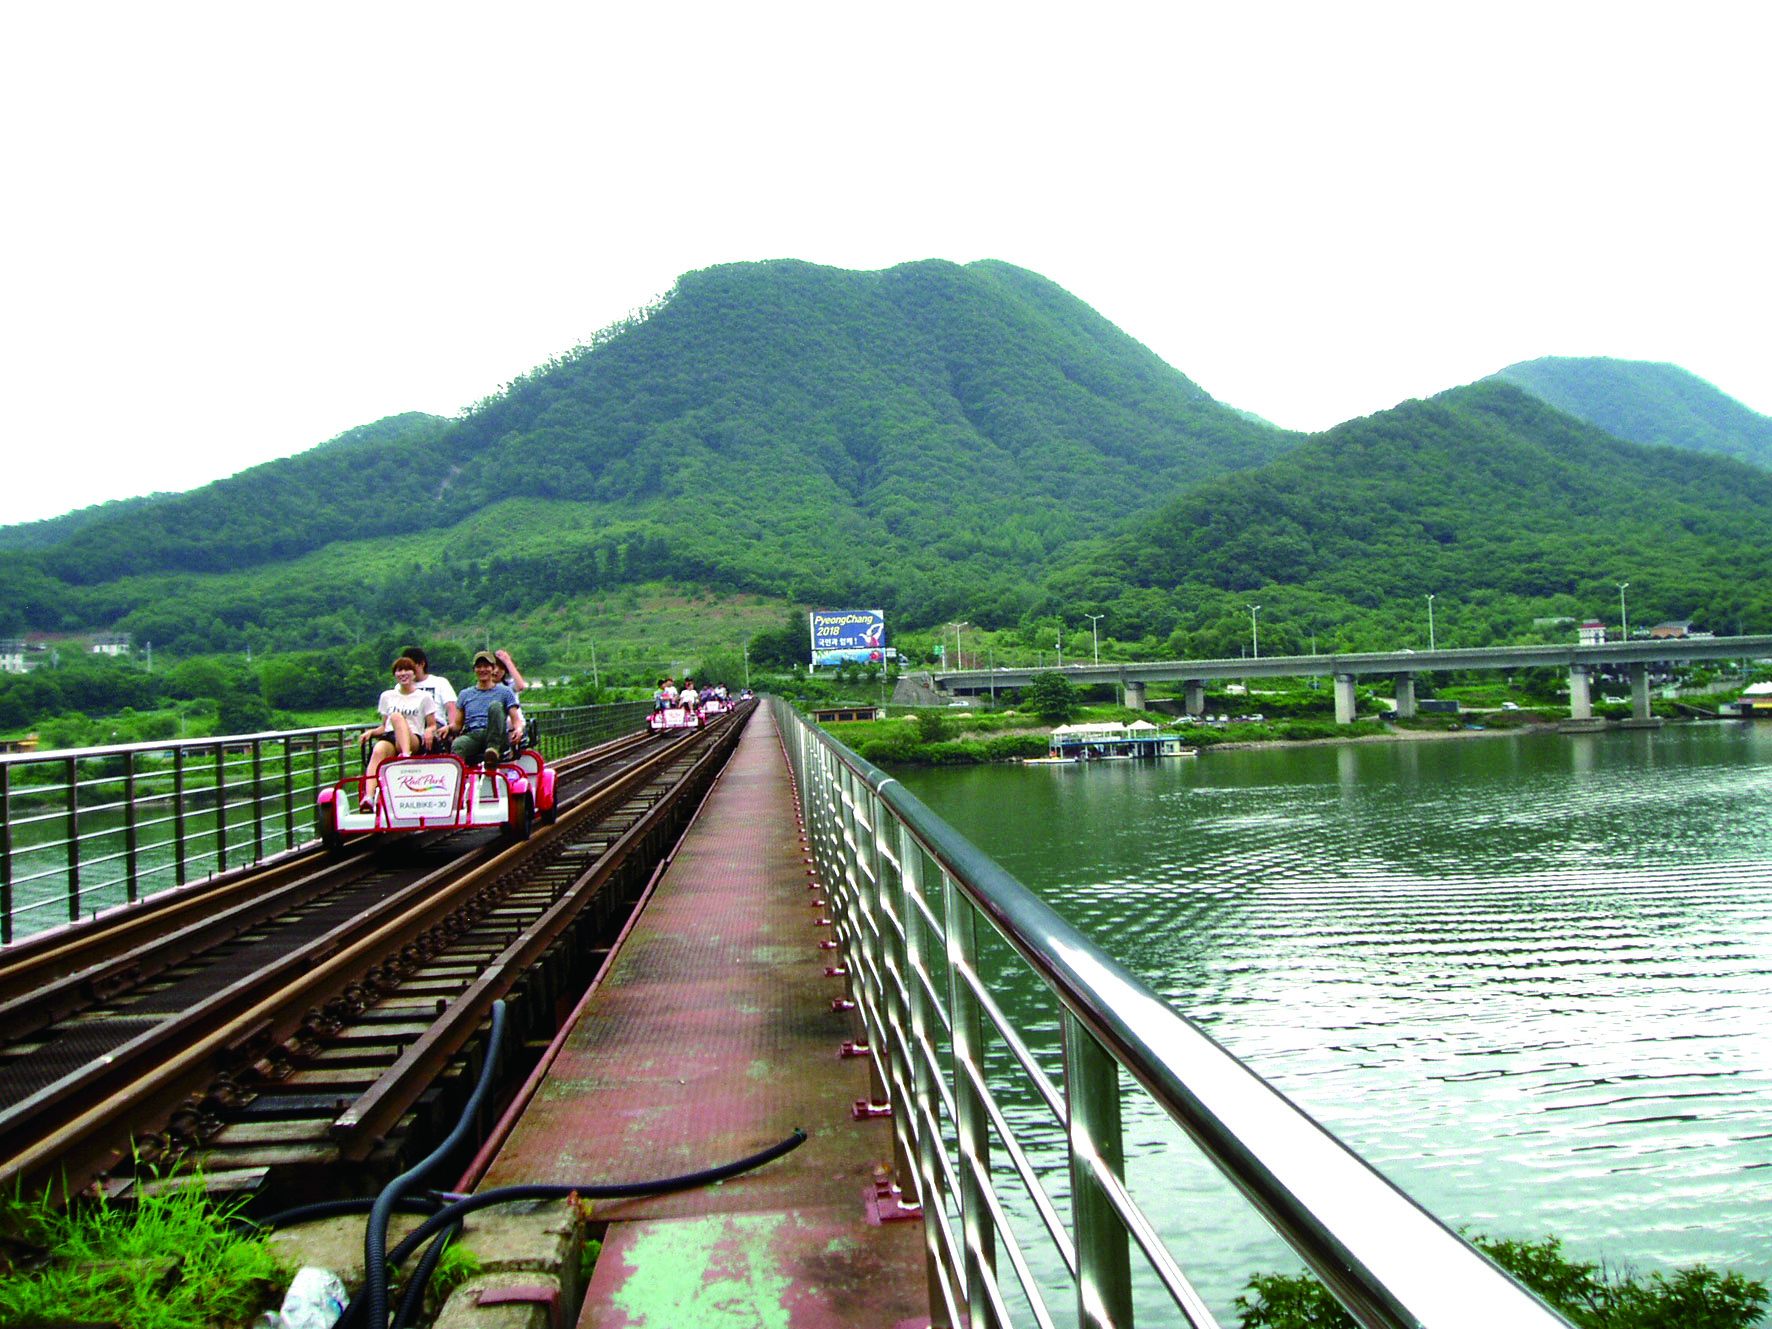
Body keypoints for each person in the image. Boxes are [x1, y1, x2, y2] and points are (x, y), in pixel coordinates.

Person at [362, 657, 443, 810]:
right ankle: (369, 796)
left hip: (413, 738)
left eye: (407, 670)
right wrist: (371, 733)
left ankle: (406, 757)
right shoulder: (387, 696)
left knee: (397, 717)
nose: (403, 673)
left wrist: (428, 731)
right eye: (399, 670)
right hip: (391, 737)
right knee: (378, 750)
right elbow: (383, 726)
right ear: (395, 674)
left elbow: (432, 724)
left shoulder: (424, 697)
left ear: (414, 674)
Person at [451, 650, 524, 767]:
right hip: (473, 734)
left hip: (496, 735)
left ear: (493, 668)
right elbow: (457, 725)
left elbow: (516, 719)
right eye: (479, 667)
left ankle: (493, 750)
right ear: (474, 669)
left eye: (486, 666)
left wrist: (518, 729)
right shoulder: (465, 694)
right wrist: (447, 729)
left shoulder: (505, 691)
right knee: (458, 745)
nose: (482, 670)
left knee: (495, 706)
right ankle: (460, 779)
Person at [402, 646, 457, 752]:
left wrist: (452, 729)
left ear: (422, 664)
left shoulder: (440, 682)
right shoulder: (401, 687)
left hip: (436, 724)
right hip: (411, 725)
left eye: (411, 667)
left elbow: (451, 707)